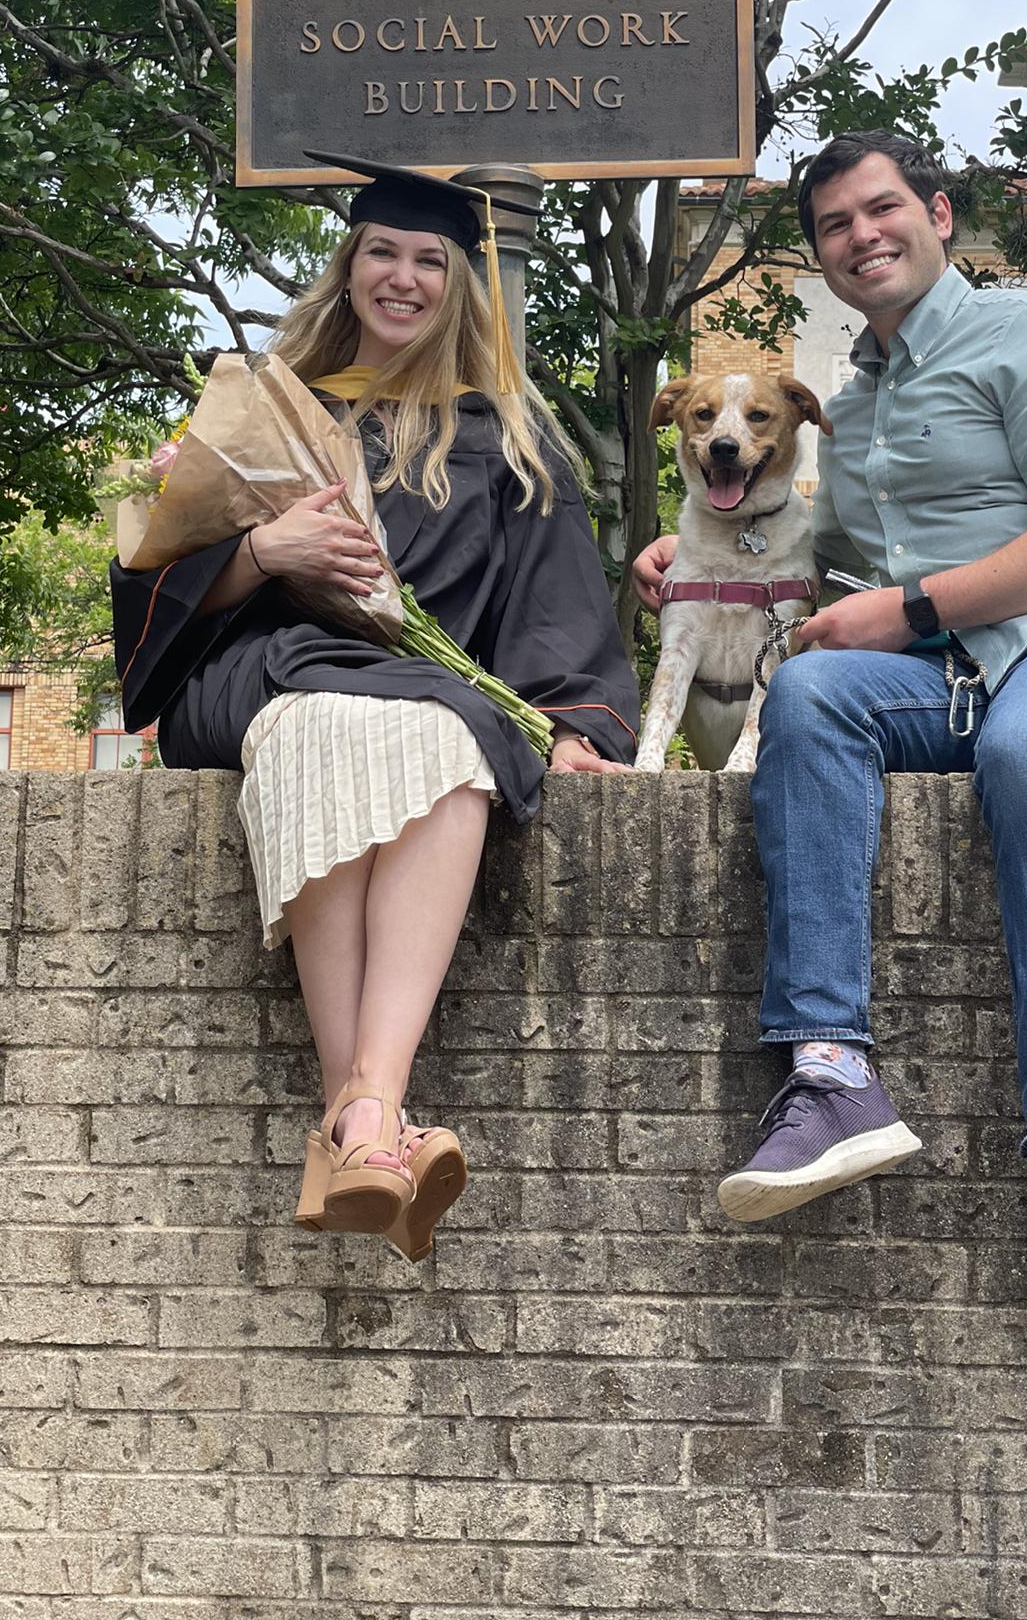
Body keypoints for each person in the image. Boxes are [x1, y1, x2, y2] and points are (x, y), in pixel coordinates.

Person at [635, 130, 1027, 1318]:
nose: (863, 234)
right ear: (825, 259)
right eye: (837, 224)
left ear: (939, 215)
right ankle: (832, 1072)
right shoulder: (850, 410)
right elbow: (821, 550)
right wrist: (698, 553)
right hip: (960, 673)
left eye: (882, 207)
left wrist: (913, 606)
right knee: (806, 690)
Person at [112, 153, 637, 1262]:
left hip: (427, 684)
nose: (402, 278)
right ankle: (375, 1109)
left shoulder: (510, 436)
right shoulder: (266, 412)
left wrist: (579, 724)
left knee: (450, 739)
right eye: (381, 253)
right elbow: (156, 573)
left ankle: (360, 1120)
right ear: (348, 267)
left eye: (429, 261)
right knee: (345, 720)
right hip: (265, 670)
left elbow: (556, 604)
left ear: (460, 285)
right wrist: (262, 547)